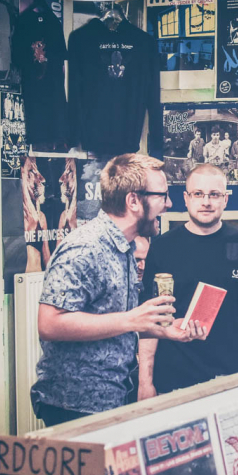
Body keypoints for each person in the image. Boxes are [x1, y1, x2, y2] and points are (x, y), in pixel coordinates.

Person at [31, 154, 205, 427]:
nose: (169, 204)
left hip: (111, 399)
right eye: (163, 195)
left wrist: (160, 330)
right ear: (133, 200)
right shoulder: (87, 247)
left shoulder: (125, 246)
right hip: (75, 405)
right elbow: (49, 323)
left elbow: (110, 320)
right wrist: (131, 319)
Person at [138, 164, 238, 399]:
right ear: (186, 198)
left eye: (214, 194)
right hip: (171, 381)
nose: (206, 202)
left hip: (229, 379)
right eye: (198, 194)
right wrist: (144, 382)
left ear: (225, 199)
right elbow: (151, 320)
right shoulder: (161, 248)